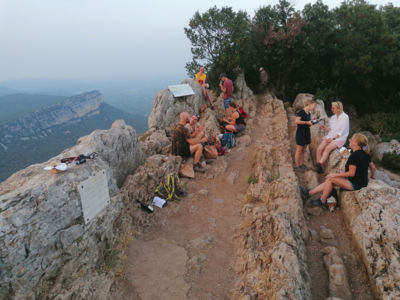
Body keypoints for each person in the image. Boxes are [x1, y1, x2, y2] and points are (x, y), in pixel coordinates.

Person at [301, 133, 376, 207]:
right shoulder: (365, 154)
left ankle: (322, 201)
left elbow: (351, 173)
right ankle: (309, 193)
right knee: (329, 181)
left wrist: (334, 175)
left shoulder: (354, 156)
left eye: (351, 139)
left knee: (330, 179)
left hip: (355, 184)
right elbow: (373, 167)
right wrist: (372, 176)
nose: (349, 140)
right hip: (361, 183)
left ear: (356, 143)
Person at [316, 101, 349, 173]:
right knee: (319, 149)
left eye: (333, 108)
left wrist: (332, 139)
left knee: (327, 148)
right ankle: (320, 168)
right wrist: (325, 128)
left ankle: (319, 164)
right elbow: (332, 129)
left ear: (338, 108)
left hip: (340, 139)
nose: (332, 109)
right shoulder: (333, 117)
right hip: (330, 136)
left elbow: (341, 132)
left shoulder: (345, 117)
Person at [294, 99, 317, 171]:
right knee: (299, 150)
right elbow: (296, 121)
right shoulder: (301, 112)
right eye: (314, 105)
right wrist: (307, 122)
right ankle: (297, 166)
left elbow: (307, 123)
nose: (315, 107)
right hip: (301, 134)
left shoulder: (308, 113)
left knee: (303, 150)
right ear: (309, 104)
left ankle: (302, 164)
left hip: (307, 133)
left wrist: (312, 122)